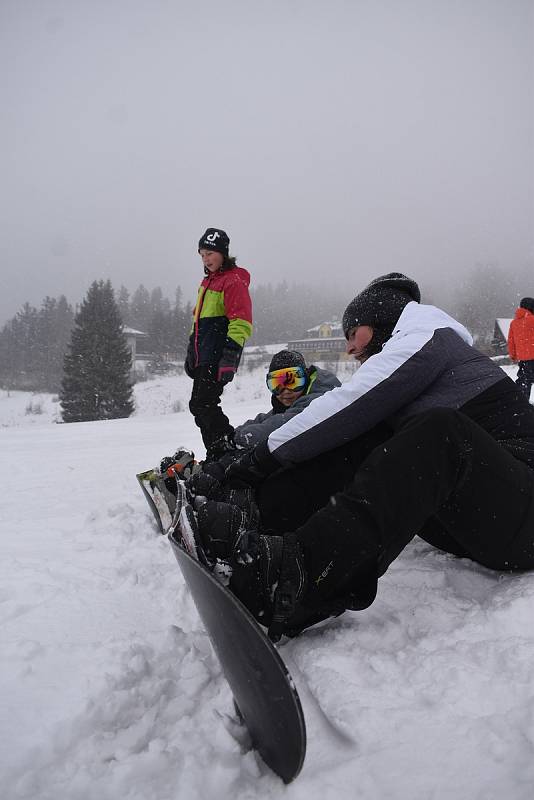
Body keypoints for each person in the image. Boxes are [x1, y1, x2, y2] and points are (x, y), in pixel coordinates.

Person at [191, 273, 534, 641]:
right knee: (373, 436)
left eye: (353, 334)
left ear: (380, 322)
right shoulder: (416, 347)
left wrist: (254, 462)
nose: (351, 349)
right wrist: (246, 478)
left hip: (522, 515)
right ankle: (258, 512)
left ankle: (300, 576)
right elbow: (345, 428)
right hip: (477, 518)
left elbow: (345, 406)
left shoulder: (430, 340)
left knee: (439, 431)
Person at [184, 228, 253, 461]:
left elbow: (241, 321)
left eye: (210, 253)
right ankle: (218, 450)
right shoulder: (208, 282)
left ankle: (225, 449)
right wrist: (191, 353)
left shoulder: (232, 281)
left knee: (203, 403)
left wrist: (230, 356)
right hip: (204, 354)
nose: (206, 259)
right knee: (200, 405)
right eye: (202, 254)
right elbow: (198, 322)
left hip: (217, 355)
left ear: (223, 253)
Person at [233, 349, 341, 448]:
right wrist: (231, 434)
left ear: (306, 378)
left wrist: (236, 439)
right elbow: (267, 419)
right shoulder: (292, 403)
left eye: (293, 382)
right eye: (277, 384)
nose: (285, 391)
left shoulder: (319, 398)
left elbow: (282, 425)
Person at [508, 297, 534, 402]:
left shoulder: (514, 323)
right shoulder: (532, 320)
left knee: (524, 381)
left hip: (523, 359)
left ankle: (520, 403)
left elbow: (511, 341)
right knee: (526, 380)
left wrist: (513, 355)